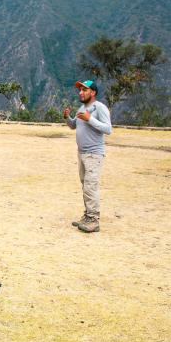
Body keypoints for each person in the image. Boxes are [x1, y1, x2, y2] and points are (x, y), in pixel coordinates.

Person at [63, 79, 113, 233]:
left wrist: (89, 119)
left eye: (84, 90)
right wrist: (67, 117)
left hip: (93, 154)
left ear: (93, 92)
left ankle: (94, 220)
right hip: (82, 153)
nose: (80, 92)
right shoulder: (82, 108)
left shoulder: (99, 108)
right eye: (80, 90)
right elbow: (74, 126)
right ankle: (87, 216)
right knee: (85, 186)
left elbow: (108, 129)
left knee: (91, 187)